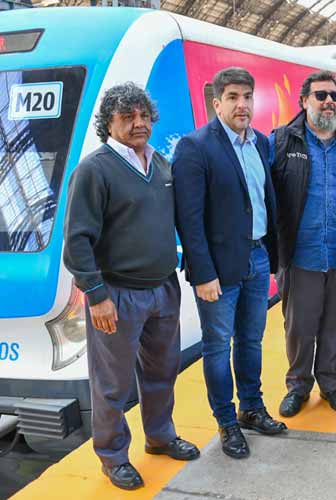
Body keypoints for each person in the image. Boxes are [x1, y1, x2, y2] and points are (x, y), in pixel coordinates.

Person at [63, 83, 199, 490]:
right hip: (117, 295)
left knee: (162, 371)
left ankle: (160, 436)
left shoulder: (161, 165)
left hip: (163, 289)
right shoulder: (94, 170)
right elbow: (77, 242)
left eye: (143, 115)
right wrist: (97, 295)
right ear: (109, 123)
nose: (139, 123)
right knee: (113, 383)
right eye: (127, 117)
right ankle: (113, 457)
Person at [173, 67, 286, 461]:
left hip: (257, 256)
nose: (242, 105)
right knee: (218, 346)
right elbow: (188, 219)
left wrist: (273, 256)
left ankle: (251, 408)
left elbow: (265, 201)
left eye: (247, 97)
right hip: (218, 270)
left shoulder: (260, 143)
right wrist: (203, 273)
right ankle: (226, 421)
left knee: (251, 340)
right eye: (234, 97)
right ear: (217, 102)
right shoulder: (195, 147)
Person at [270, 70, 336, 417]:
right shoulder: (283, 141)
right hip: (301, 254)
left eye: (334, 96)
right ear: (304, 101)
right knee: (299, 328)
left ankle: (330, 384)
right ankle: (298, 386)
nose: (329, 101)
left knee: (335, 325)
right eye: (320, 95)